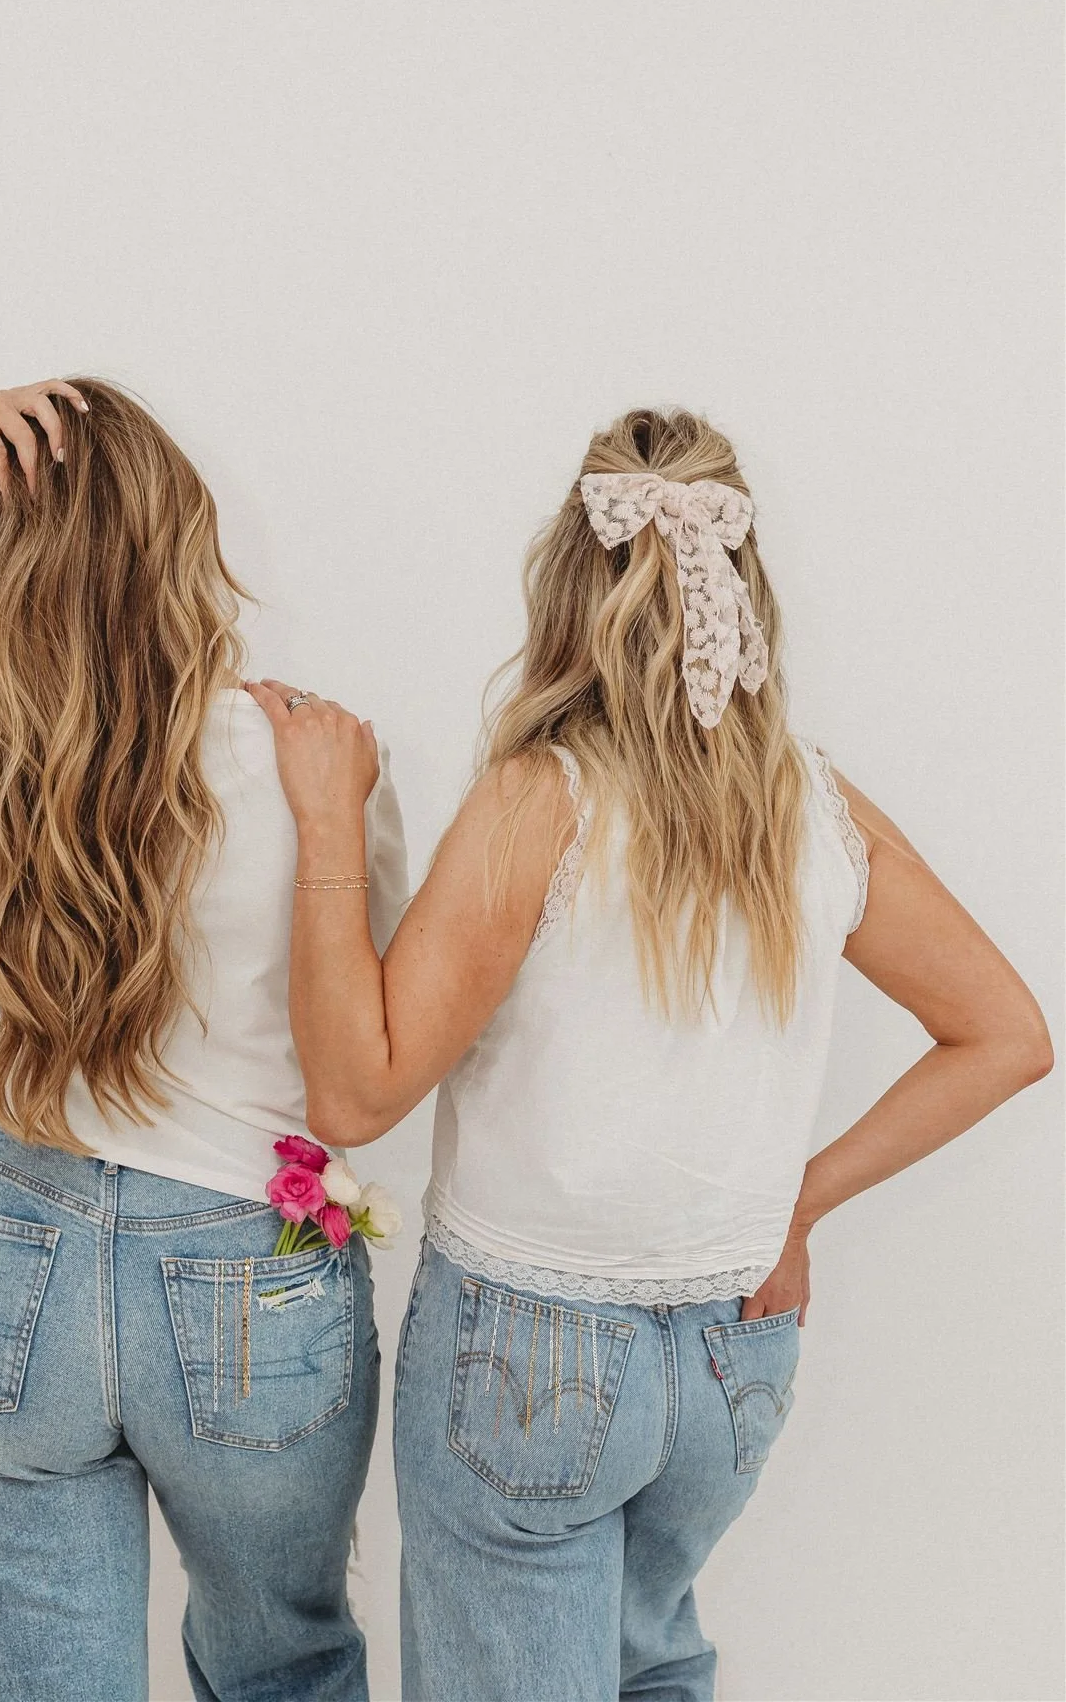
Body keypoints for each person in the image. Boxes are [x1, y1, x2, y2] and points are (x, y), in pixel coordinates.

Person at [248, 405, 1052, 1702]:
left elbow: (352, 1091)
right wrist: (802, 1202)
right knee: (652, 1664)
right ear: (745, 583)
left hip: (531, 1351)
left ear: (570, 580)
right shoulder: (819, 806)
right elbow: (1006, 1036)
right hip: (734, 1361)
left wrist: (329, 819)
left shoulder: (542, 797)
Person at [0, 378, 408, 1702]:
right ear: (184, 533)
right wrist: (338, 815)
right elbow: (365, 1053)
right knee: (285, 1670)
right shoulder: (312, 765)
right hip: (249, 1268)